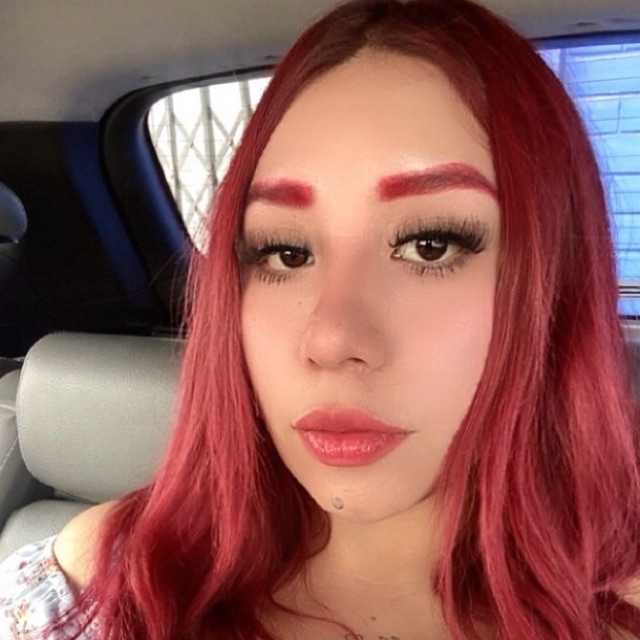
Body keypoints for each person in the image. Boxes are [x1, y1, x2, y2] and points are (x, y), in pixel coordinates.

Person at [2, 0, 640, 638]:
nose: (331, 339)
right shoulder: (102, 586)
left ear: (554, 283)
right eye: (285, 252)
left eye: (430, 245)